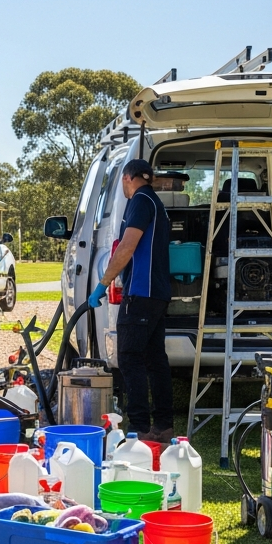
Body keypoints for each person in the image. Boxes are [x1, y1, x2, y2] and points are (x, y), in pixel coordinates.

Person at [88, 158, 173, 444]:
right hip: (158, 293)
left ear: (127, 178)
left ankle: (139, 429)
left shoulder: (139, 200)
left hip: (140, 292)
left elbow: (127, 246)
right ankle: (163, 426)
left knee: (129, 357)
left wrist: (102, 285)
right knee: (155, 360)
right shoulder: (156, 203)